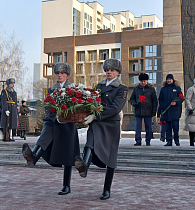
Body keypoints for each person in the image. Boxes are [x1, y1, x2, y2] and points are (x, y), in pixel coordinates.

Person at [22, 63, 80, 195]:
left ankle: (66, 185)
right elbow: (48, 107)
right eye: (57, 73)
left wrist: (64, 117)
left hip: (68, 124)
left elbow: (76, 107)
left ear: (67, 75)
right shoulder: (51, 90)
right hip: (53, 121)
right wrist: (55, 117)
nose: (59, 75)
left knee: (67, 154)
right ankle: (33, 158)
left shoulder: (73, 89)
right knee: (44, 136)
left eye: (62, 73)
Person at [74, 58, 128, 200]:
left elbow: (115, 108)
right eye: (107, 70)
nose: (109, 72)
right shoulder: (100, 85)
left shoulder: (122, 88)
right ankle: (83, 166)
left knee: (111, 158)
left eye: (112, 70)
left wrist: (95, 116)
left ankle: (106, 189)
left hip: (110, 124)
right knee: (90, 142)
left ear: (118, 72)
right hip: (97, 122)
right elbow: (93, 102)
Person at [130, 73, 158, 146]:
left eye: (144, 81)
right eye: (141, 81)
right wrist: (134, 103)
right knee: (138, 127)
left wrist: (154, 111)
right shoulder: (136, 89)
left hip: (148, 110)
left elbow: (154, 101)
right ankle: (138, 140)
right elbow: (132, 99)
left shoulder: (151, 89)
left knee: (148, 127)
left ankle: (148, 140)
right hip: (138, 110)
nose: (143, 83)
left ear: (147, 81)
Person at [158, 74, 184, 146]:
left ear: (172, 80)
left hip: (175, 111)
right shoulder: (163, 89)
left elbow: (181, 98)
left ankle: (176, 140)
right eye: (168, 79)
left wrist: (176, 103)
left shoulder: (177, 88)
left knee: (175, 127)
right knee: (168, 128)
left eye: (170, 79)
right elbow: (160, 100)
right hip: (166, 111)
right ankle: (169, 141)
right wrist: (163, 107)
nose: (169, 81)